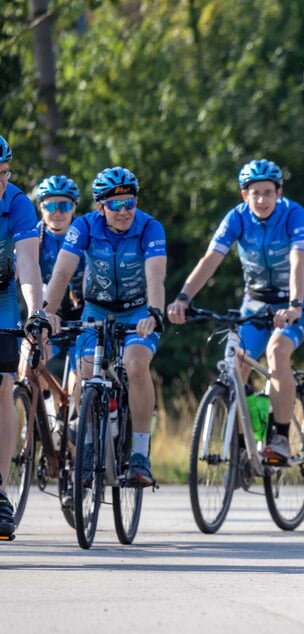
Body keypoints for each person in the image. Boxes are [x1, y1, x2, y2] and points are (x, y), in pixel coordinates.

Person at [167, 159, 304, 463]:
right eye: (255, 193)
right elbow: (211, 259)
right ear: (243, 195)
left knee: (277, 350)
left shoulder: (294, 214)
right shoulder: (237, 217)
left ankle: (280, 436)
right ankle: (242, 444)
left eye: (268, 192)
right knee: (235, 363)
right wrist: (183, 297)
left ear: (279, 192)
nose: (261, 200)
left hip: (296, 301)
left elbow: (299, 260)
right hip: (256, 300)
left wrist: (295, 306)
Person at [45, 166, 166, 488]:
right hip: (96, 309)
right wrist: (49, 311)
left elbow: (155, 275)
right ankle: (85, 449)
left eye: (129, 203)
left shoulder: (150, 227)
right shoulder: (84, 226)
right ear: (101, 207)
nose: (124, 211)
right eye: (115, 205)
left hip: (138, 310)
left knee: (136, 364)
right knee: (85, 372)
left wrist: (154, 312)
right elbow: (61, 273)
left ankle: (140, 454)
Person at [0, 134, 48, 539]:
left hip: (1, 296)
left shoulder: (16, 203)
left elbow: (29, 265)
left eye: (4, 174)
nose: (1, 182)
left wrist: (36, 313)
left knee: (1, 384)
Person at [34, 175, 85, 388]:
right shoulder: (33, 236)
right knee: (30, 363)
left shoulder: (86, 234)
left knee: (80, 373)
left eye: (64, 205)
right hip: (47, 308)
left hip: (83, 311)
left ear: (73, 207)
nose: (57, 212)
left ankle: (75, 418)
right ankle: (46, 409)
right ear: (41, 208)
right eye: (51, 205)